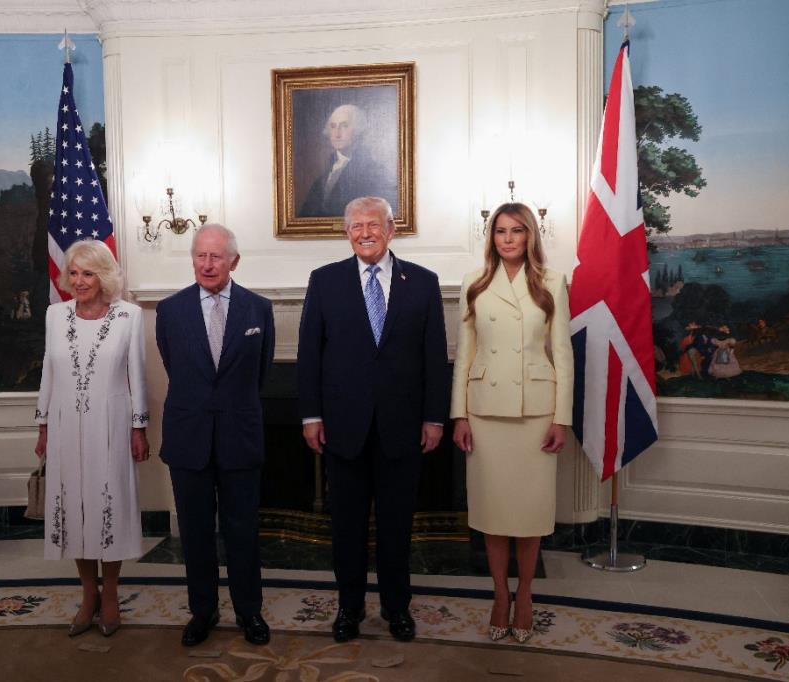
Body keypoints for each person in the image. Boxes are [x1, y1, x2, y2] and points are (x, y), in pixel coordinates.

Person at [298, 196, 449, 643]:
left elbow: (434, 357)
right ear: (347, 233)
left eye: (374, 225)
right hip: (342, 428)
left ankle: (396, 608)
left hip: (402, 428)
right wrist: (311, 415)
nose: (365, 233)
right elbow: (309, 355)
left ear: (391, 230)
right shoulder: (324, 281)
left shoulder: (423, 282)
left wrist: (435, 418)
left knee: (396, 527)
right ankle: (350, 608)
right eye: (356, 226)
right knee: (346, 527)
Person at [450, 203, 573, 645]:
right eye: (500, 231)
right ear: (492, 237)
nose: (507, 239)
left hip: (535, 411)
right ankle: (500, 595)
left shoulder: (552, 281)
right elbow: (465, 354)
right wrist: (459, 414)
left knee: (530, 513)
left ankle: (525, 595)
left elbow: (563, 353)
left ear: (529, 236)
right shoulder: (474, 283)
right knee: (493, 512)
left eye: (516, 231)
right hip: (485, 412)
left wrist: (562, 418)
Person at [156, 224, 275, 647]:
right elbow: (175, 366)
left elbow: (260, 373)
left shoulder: (259, 309)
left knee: (243, 530)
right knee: (195, 532)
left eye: (216, 257)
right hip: (188, 437)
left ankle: (249, 611)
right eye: (200, 256)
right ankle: (202, 611)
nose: (207, 264)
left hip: (239, 435)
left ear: (233, 262)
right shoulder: (170, 310)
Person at [34, 239, 150, 638]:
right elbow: (48, 371)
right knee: (73, 508)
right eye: (74, 273)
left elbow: (137, 374)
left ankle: (111, 593)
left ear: (104, 276)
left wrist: (139, 427)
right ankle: (88, 595)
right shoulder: (54, 315)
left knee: (108, 504)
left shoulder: (129, 316)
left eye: (88, 273)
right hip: (64, 425)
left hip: (112, 424)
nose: (80, 281)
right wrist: (43, 424)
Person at [299, 104, 397, 217]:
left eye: (344, 126)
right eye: (333, 126)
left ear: (358, 130)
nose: (337, 134)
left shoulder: (374, 172)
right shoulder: (324, 176)